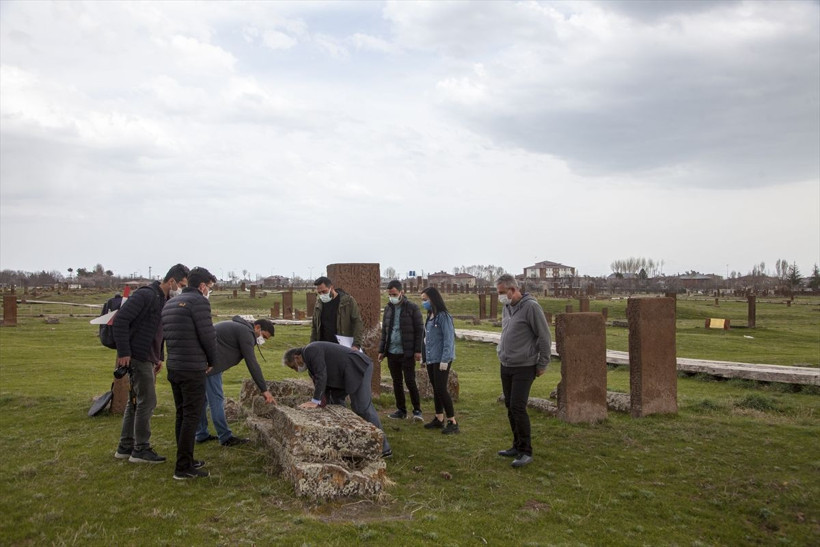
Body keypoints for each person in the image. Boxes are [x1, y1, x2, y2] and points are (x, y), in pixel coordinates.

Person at [113, 264, 189, 464]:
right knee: (147, 401)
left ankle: (125, 446)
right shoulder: (146, 295)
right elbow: (121, 320)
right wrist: (124, 352)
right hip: (138, 355)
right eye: (181, 285)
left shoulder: (163, 299)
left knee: (135, 401)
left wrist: (159, 357)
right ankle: (141, 449)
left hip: (149, 356)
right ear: (171, 281)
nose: (181, 289)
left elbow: (158, 332)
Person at [283, 341, 392, 458]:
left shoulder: (310, 350)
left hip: (358, 366)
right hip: (344, 373)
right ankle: (347, 442)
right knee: (336, 403)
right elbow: (321, 382)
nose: (296, 370)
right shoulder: (309, 362)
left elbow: (321, 375)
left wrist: (315, 401)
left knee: (362, 408)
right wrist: (321, 401)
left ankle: (384, 448)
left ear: (297, 357)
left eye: (293, 366)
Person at [162, 266, 218, 480]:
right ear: (202, 286)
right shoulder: (199, 302)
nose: (208, 291)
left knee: (181, 414)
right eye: (209, 287)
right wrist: (212, 360)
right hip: (192, 367)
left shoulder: (170, 303)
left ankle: (185, 458)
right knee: (191, 416)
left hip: (175, 365)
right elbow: (207, 335)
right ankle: (183, 467)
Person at [495, 274, 551, 468]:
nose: (500, 296)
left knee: (518, 406)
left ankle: (526, 451)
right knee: (510, 406)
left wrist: (542, 363)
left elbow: (544, 336)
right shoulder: (507, 307)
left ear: (513, 290)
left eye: (502, 292)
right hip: (506, 364)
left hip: (524, 366)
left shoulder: (531, 307)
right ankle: (516, 445)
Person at [196, 317, 277, 446]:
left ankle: (201, 434)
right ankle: (225, 437)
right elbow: (252, 363)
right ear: (257, 327)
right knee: (216, 400)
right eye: (264, 336)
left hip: (203, 361)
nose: (263, 340)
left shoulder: (241, 328)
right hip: (209, 365)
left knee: (202, 399)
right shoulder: (246, 333)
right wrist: (264, 390)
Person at [377, 280, 424, 420]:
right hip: (392, 351)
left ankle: (417, 410)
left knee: (410, 381)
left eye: (394, 294)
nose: (392, 297)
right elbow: (385, 331)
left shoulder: (412, 308)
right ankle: (401, 410)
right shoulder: (388, 308)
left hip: (407, 351)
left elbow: (420, 330)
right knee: (396, 382)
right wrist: (381, 350)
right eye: (390, 295)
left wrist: (418, 350)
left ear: (401, 292)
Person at [420, 287, 459, 434]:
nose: (424, 303)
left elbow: (449, 339)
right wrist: (424, 356)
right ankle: (439, 418)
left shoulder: (443, 316)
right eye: (422, 300)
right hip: (431, 357)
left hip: (442, 358)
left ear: (433, 299)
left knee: (441, 389)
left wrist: (445, 359)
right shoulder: (430, 316)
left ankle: (452, 421)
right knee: (435, 388)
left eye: (425, 300)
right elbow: (426, 338)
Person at [310, 276, 363, 350]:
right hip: (323, 346)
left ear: (331, 287)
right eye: (319, 293)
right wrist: (312, 345)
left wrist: (356, 344)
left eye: (324, 291)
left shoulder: (348, 301)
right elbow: (315, 327)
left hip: (342, 346)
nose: (322, 294)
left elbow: (357, 322)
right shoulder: (318, 304)